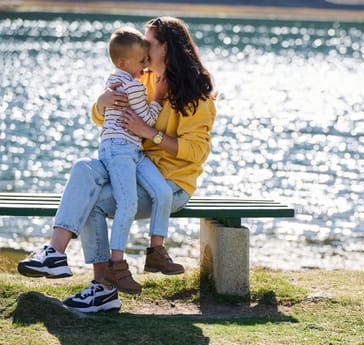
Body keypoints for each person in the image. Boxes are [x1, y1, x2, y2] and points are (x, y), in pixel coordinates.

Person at [17, 16, 216, 313]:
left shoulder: (195, 95)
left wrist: (151, 133)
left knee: (93, 200)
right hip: (132, 163)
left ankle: (103, 289)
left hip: (169, 185)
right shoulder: (141, 77)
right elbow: (104, 117)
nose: (142, 47)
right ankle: (55, 253)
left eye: (148, 43)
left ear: (167, 49)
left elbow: (197, 152)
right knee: (84, 168)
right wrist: (102, 102)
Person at [97, 26, 172, 295]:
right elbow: (148, 122)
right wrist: (159, 97)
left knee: (163, 192)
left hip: (130, 150)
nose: (145, 66)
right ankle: (117, 266)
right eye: (142, 61)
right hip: (121, 150)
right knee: (127, 204)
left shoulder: (112, 80)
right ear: (123, 63)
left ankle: (155, 251)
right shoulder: (134, 87)